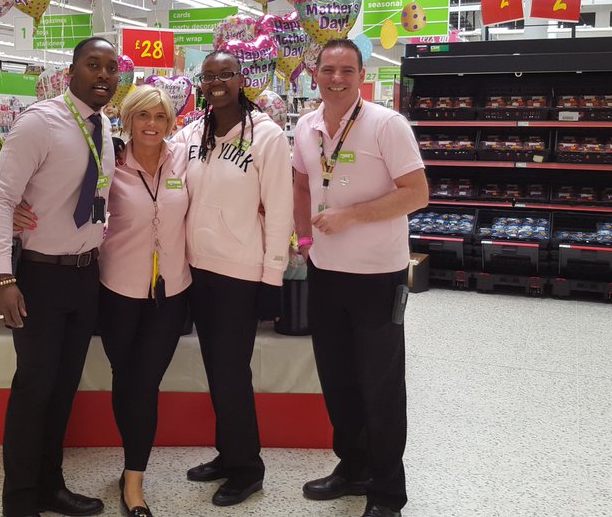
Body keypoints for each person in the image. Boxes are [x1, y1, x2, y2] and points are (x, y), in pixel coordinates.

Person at [14, 86, 191, 517]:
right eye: (143, 116)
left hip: (171, 293)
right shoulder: (108, 162)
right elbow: (61, 193)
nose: (152, 125)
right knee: (124, 376)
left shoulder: (186, 160)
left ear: (171, 123)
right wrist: (17, 204)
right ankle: (35, 488)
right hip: (116, 290)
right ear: (127, 120)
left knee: (146, 382)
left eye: (162, 117)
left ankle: (134, 481)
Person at [290, 39, 428, 517]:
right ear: (316, 72)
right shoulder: (306, 126)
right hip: (325, 272)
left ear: (360, 73)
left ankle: (388, 491)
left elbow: (416, 193)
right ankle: (352, 468)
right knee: (338, 380)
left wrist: (352, 217)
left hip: (377, 275)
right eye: (328, 69)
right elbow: (301, 183)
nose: (336, 78)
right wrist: (305, 241)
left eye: (346, 69)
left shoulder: (388, 125)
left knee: (381, 384)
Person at [0, 36, 120, 517]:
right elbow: (0, 200)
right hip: (39, 276)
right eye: (92, 65)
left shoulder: (103, 126)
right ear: (72, 71)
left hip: (85, 278)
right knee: (34, 389)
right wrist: (2, 277)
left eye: (111, 67)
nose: (103, 75)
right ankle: (19, 499)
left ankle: (51, 485)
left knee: (64, 389)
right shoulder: (39, 123)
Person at [174, 50, 294, 508]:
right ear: (200, 84)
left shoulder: (267, 137)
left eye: (226, 74)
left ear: (243, 79)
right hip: (197, 270)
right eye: (209, 76)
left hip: (240, 275)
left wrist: (272, 277)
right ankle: (228, 455)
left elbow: (280, 210)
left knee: (231, 375)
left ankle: (248, 469)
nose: (217, 82)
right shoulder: (193, 131)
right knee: (217, 371)